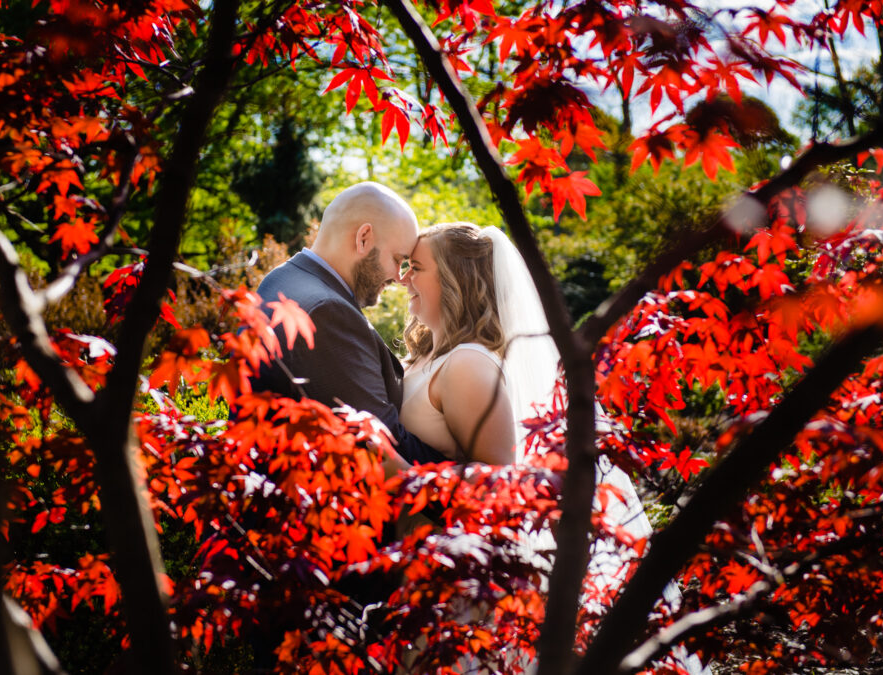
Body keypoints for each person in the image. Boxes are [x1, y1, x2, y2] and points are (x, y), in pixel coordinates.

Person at [398, 222, 705, 674]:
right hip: (422, 564)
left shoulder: (468, 365)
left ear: (455, 279)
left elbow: (499, 495)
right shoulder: (431, 356)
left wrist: (395, 472)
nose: (403, 277)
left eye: (416, 268)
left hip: (460, 580)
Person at [252, 181, 448, 465]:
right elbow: (385, 443)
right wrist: (474, 476)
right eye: (398, 259)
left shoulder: (281, 277)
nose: (399, 277)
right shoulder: (327, 312)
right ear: (364, 238)